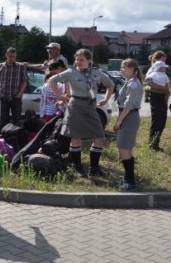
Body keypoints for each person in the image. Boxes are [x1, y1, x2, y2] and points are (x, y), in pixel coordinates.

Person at [48, 49, 114, 177]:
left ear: (89, 60)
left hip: (90, 107)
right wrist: (60, 96)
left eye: (81, 59)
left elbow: (110, 85)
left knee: (100, 137)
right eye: (77, 59)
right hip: (75, 106)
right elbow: (52, 80)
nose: (78, 62)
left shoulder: (96, 72)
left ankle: (94, 168)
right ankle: (77, 167)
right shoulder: (71, 72)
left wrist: (106, 99)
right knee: (75, 137)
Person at [113, 59, 143, 191]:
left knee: (123, 148)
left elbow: (129, 105)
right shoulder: (129, 82)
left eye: (123, 68)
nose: (121, 70)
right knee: (126, 150)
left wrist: (119, 121)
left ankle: (130, 182)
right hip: (127, 116)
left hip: (128, 117)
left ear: (131, 68)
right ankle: (127, 179)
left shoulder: (134, 84)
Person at [0, 47, 28, 128]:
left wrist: (20, 94)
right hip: (4, 97)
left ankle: (15, 139)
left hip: (16, 98)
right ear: (6, 55)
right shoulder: (0, 66)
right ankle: (4, 139)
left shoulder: (20, 67)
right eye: (10, 56)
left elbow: (25, 81)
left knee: (16, 121)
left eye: (14, 56)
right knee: (4, 121)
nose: (12, 58)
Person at [145, 51, 170, 151]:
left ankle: (156, 143)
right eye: (162, 60)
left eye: (165, 61)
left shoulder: (161, 72)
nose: (164, 63)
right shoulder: (152, 70)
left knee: (162, 121)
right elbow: (149, 82)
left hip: (162, 97)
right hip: (156, 97)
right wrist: (163, 88)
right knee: (157, 121)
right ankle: (152, 144)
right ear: (155, 60)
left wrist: (165, 89)